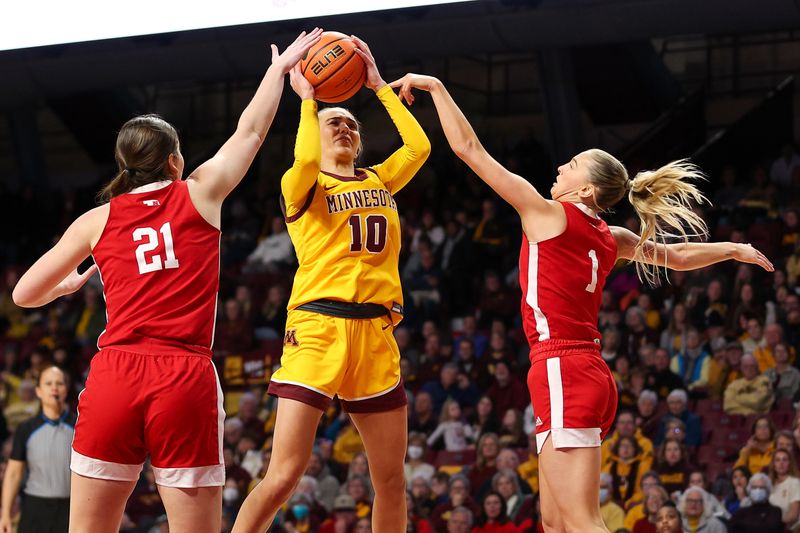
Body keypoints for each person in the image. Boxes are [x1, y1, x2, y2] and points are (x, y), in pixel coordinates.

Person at [387, 72, 773, 533]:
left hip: (562, 367)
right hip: (583, 371)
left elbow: (470, 150)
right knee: (553, 522)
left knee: (582, 521)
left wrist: (436, 88)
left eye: (570, 165)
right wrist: (732, 249)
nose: (559, 168)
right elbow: (677, 256)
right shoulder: (611, 237)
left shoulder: (546, 214)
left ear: (586, 189)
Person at [11, 29, 323, 533]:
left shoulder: (97, 220)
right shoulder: (199, 193)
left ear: (125, 167)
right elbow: (250, 133)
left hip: (116, 374)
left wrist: (66, 286)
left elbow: (24, 293)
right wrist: (277, 70)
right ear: (175, 161)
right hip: (182, 376)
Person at [233, 36, 430, 533]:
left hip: (376, 336)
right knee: (283, 475)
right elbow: (301, 162)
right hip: (317, 329)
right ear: (315, 134)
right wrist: (307, 102)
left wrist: (379, 86)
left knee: (390, 481)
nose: (344, 127)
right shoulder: (301, 185)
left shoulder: (380, 180)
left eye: (351, 124)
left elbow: (420, 146)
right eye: (333, 123)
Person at [0, 366, 74, 533]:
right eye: (48, 383)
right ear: (39, 391)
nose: (54, 387)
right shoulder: (25, 429)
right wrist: (5, 514)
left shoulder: (79, 427)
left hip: (70, 510)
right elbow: (13, 474)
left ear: (66, 390)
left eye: (59, 383)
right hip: (35, 509)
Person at [767, 448, 800, 531]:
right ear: (773, 464)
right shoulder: (767, 483)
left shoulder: (794, 482)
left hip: (788, 529)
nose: (781, 463)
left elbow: (793, 514)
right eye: (777, 460)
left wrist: (774, 524)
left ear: (789, 463)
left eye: (784, 460)